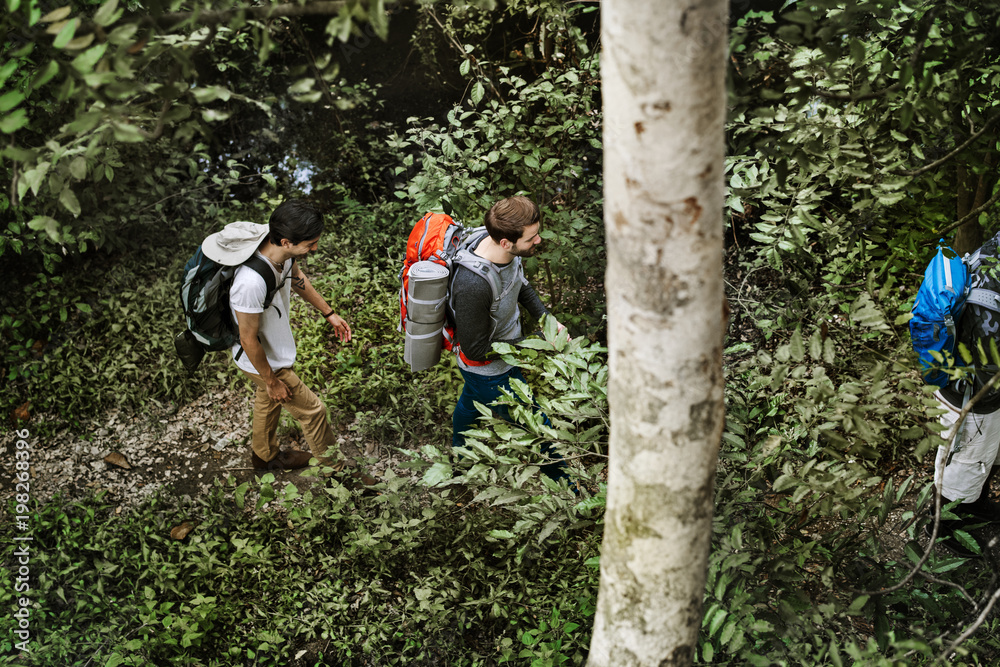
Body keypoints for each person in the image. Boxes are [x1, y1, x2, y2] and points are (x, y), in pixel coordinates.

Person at [211, 199, 359, 472]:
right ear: (285, 241)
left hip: (272, 352)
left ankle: (264, 457)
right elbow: (247, 339)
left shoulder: (284, 256)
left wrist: (329, 313)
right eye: (310, 244)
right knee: (313, 411)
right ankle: (339, 473)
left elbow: (297, 278)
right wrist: (271, 379)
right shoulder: (249, 283)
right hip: (262, 359)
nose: (314, 249)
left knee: (268, 400)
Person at [449, 195, 568, 481]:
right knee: (540, 433)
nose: (538, 241)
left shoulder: (504, 252)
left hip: (503, 356)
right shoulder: (473, 286)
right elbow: (476, 350)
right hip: (490, 371)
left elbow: (521, 285)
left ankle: (458, 459)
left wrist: (547, 320)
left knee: (469, 405)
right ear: (506, 242)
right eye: (531, 238)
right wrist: (537, 341)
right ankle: (571, 491)